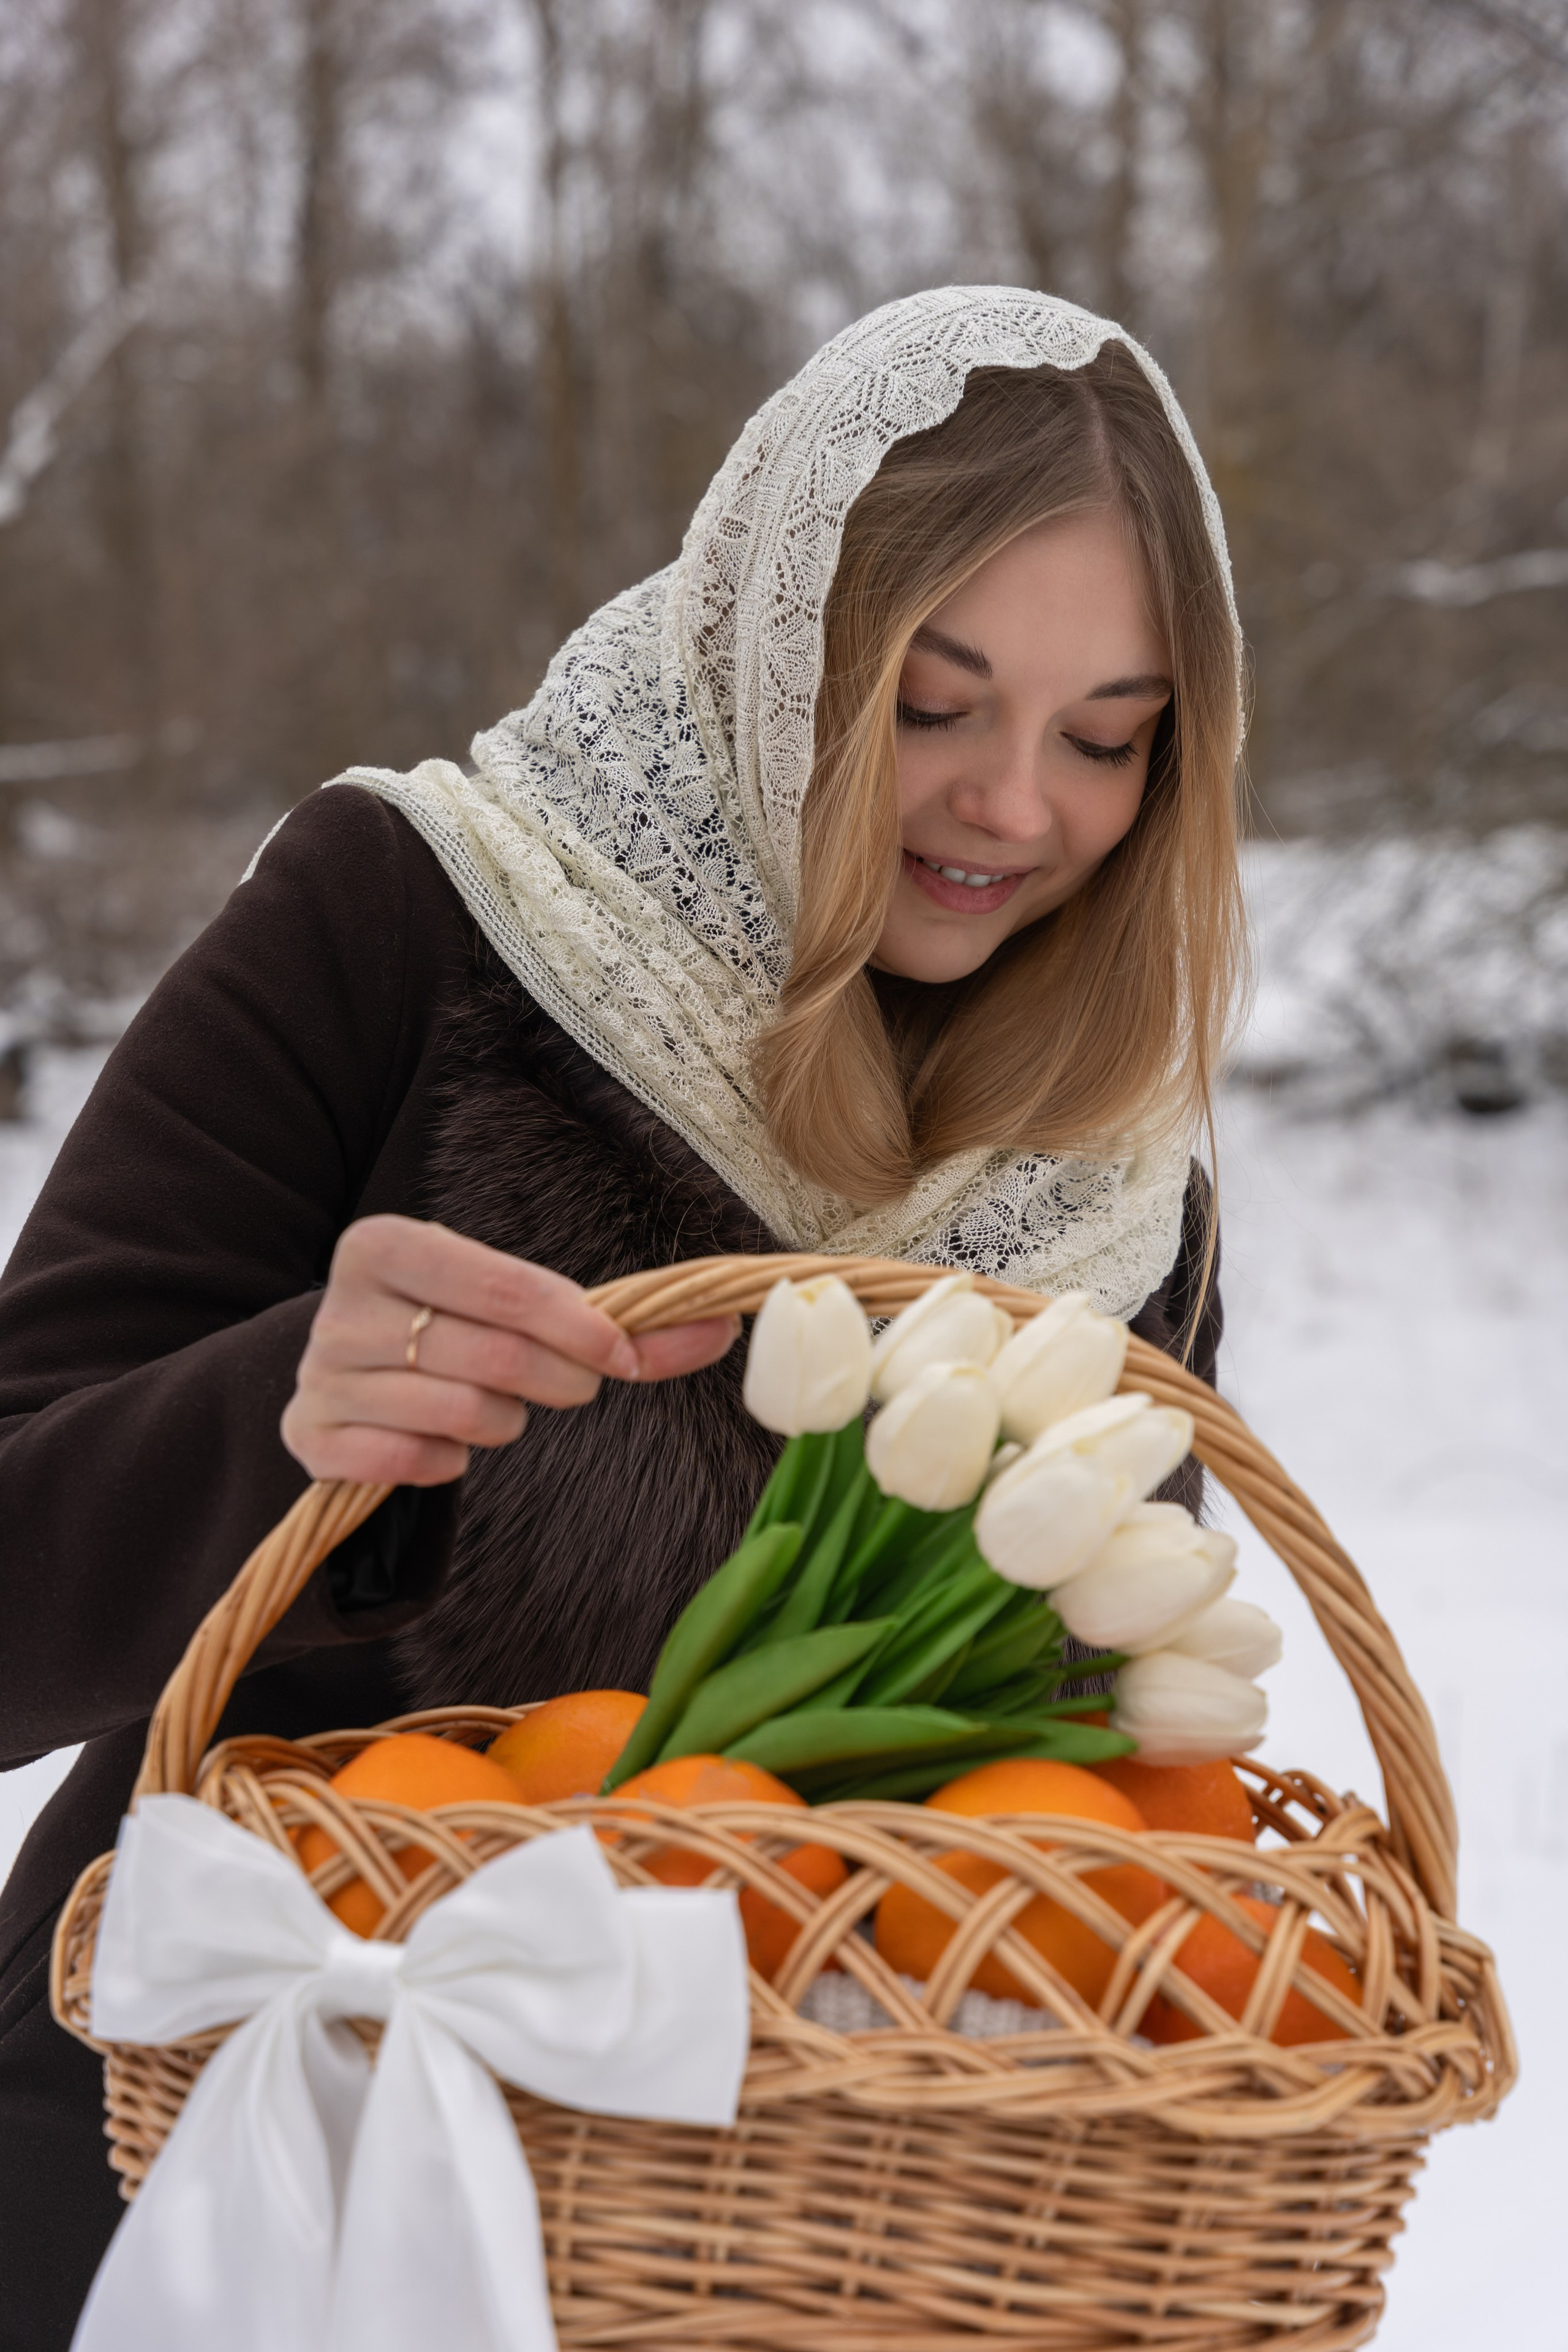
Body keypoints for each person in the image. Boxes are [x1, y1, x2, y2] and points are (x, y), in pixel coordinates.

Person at [0, 286, 1243, 2346]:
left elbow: (1083, 1786)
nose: (1018, 807)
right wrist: (280, 1423)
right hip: (210, 2184)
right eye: (931, 705)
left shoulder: (1114, 1202)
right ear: (775, 643)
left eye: (1108, 738)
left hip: (761, 2256)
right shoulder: (405, 915)